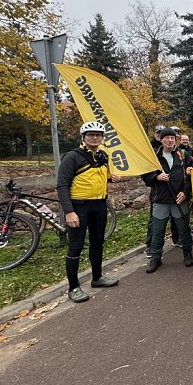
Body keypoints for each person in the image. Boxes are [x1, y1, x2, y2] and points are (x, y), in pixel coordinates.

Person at [56, 121, 120, 302]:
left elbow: (93, 177)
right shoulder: (72, 157)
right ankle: (73, 287)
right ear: (83, 137)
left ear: (102, 138)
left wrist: (109, 178)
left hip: (99, 205)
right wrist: (69, 212)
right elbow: (62, 185)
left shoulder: (103, 156)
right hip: (79, 207)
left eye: (98, 135)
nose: (94, 137)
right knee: (75, 246)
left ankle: (97, 278)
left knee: (97, 243)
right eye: (90, 134)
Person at [142, 127, 193, 273]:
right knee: (157, 231)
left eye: (172, 138)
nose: (170, 140)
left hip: (179, 199)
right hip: (160, 200)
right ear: (161, 139)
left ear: (175, 139)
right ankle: (156, 257)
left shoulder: (184, 155)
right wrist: (156, 177)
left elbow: (190, 177)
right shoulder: (154, 157)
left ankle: (187, 253)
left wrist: (185, 192)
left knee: (183, 228)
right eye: (166, 138)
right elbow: (145, 176)